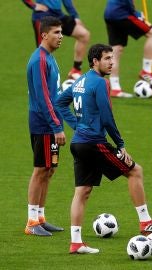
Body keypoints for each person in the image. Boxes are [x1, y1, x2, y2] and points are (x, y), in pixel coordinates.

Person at [55, 44, 152, 254]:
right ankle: (145, 222)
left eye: (112, 58)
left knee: (82, 191)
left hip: (78, 143)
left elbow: (60, 103)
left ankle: (75, 243)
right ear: (95, 61)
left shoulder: (80, 80)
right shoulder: (100, 83)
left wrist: (77, 125)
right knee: (135, 171)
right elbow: (107, 116)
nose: (112, 62)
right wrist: (120, 144)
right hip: (94, 143)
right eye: (107, 58)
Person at [25, 16, 74, 236]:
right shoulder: (39, 61)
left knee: (50, 169)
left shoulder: (49, 58)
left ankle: (41, 217)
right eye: (56, 32)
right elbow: (44, 97)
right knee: (40, 169)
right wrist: (56, 126)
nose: (61, 36)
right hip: (43, 123)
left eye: (61, 32)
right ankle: (31, 222)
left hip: (51, 121)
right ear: (44, 35)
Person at [104, 0, 152, 98]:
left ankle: (115, 88)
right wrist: (136, 13)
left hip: (110, 13)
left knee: (116, 49)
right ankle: (146, 71)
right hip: (121, 13)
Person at [22, 0, 90, 80]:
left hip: (58, 15)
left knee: (84, 34)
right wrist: (33, 5)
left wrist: (75, 16)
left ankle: (76, 70)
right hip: (42, 16)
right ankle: (41, 80)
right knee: (43, 51)